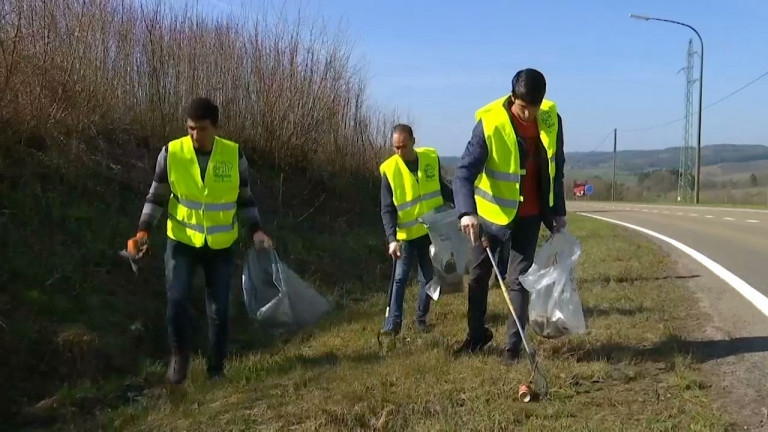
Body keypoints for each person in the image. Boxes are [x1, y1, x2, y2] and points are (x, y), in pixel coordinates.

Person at [125, 97, 273, 384]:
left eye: (201, 129)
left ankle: (216, 370)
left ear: (216, 128)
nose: (195, 135)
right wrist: (143, 230)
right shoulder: (171, 153)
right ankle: (180, 356)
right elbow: (156, 195)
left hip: (220, 246)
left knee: (219, 310)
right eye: (190, 128)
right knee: (177, 299)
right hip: (181, 242)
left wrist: (256, 230)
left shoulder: (234, 155)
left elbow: (245, 198)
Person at [451, 68, 567, 362]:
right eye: (523, 108)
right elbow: (463, 173)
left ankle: (512, 349)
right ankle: (477, 336)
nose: (529, 115)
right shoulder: (489, 123)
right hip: (488, 217)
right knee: (478, 278)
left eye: (535, 108)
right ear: (513, 98)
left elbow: (557, 169)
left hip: (528, 216)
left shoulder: (551, 119)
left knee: (519, 281)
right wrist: (466, 212)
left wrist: (557, 212)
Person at [379, 124, 454, 335]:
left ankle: (421, 319)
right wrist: (391, 238)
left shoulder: (430, 158)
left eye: (402, 146)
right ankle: (392, 325)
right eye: (395, 147)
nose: (398, 152)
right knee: (400, 279)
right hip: (405, 236)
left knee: (429, 279)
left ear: (413, 141)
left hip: (430, 232)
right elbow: (387, 209)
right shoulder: (390, 170)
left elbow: (441, 188)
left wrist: (464, 204)